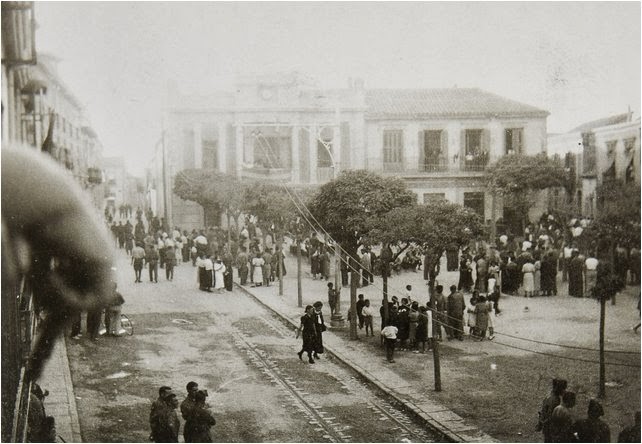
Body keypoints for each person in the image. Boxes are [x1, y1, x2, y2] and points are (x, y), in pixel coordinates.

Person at [2, 148, 117, 381]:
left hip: (56, 230)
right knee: (51, 300)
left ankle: (35, 363)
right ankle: (34, 364)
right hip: (55, 229)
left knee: (47, 295)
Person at [538, 378, 568, 442]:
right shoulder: (556, 400)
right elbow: (552, 415)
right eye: (563, 389)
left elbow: (543, 411)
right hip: (550, 427)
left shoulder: (548, 396)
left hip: (545, 425)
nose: (564, 391)